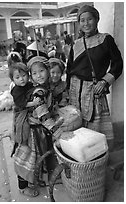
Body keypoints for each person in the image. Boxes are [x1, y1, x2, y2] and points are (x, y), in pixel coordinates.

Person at [66, 5, 123, 151]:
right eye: (82, 20)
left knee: (96, 132)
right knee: (76, 127)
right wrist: (66, 92)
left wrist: (105, 81)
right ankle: (79, 161)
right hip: (75, 91)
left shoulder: (105, 40)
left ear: (97, 19)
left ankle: (96, 158)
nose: (86, 24)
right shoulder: (76, 44)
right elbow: (69, 69)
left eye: (89, 19)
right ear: (79, 23)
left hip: (94, 91)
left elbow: (118, 64)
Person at [9, 62, 39, 197]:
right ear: (13, 80)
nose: (22, 79)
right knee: (24, 153)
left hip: (30, 121)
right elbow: (22, 104)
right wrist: (33, 103)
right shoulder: (16, 91)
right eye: (17, 77)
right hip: (22, 120)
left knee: (32, 156)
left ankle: (31, 180)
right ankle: (23, 187)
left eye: (24, 75)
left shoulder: (29, 86)